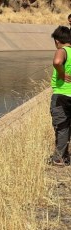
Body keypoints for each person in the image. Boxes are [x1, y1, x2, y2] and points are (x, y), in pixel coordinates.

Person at [49, 26, 71, 166]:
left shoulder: (61, 51)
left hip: (62, 95)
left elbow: (57, 62)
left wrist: (62, 74)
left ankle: (59, 158)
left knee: (62, 127)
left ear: (57, 41)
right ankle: (66, 156)